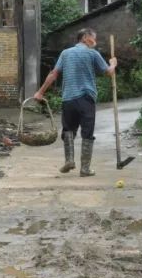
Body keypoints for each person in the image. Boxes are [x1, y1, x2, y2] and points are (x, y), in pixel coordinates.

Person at [33, 28, 117, 176]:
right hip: (86, 97)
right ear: (85, 38)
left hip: (69, 99)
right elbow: (108, 72)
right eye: (93, 38)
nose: (95, 42)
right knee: (87, 132)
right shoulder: (92, 53)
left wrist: (40, 92)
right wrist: (113, 64)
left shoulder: (65, 53)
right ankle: (85, 169)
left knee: (68, 130)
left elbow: (54, 74)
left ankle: (69, 160)